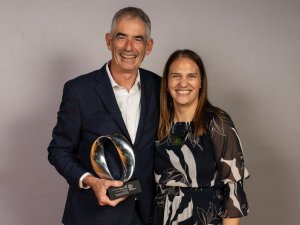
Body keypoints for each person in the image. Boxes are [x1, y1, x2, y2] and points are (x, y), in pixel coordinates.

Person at [48, 7, 161, 225]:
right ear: (109, 41)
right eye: (122, 37)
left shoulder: (161, 88)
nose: (129, 47)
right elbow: (59, 150)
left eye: (138, 39)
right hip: (94, 216)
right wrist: (90, 181)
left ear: (149, 46)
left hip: (148, 215)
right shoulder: (79, 91)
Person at [153, 49, 249, 225]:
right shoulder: (159, 123)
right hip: (163, 218)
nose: (183, 83)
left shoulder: (218, 123)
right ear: (166, 82)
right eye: (176, 76)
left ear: (201, 82)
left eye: (191, 76)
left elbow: (233, 188)